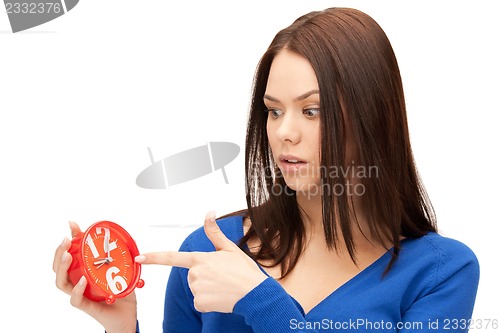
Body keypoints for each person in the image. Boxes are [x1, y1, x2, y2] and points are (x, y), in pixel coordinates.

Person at [53, 7, 480, 333]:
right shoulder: (209, 252)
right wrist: (123, 327)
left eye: (312, 111)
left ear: (373, 117)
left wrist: (260, 301)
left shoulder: (442, 273)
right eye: (273, 111)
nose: (283, 133)